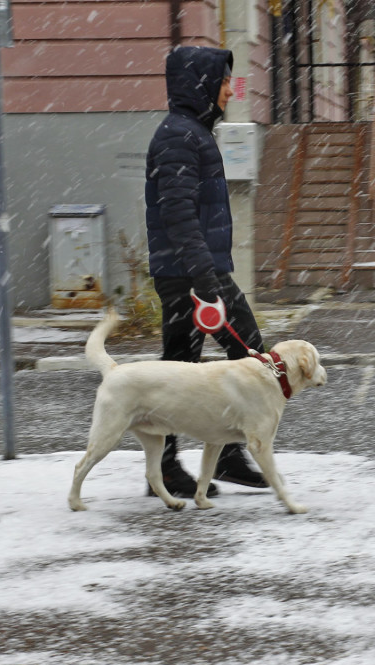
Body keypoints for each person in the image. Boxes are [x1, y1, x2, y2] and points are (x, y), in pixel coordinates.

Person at [143, 45, 267, 498]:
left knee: (181, 367)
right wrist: (205, 276)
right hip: (190, 273)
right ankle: (209, 459)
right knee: (249, 354)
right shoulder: (180, 135)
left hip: (188, 270)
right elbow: (177, 213)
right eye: (222, 80)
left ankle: (193, 463)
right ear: (201, 84)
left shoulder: (191, 131)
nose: (229, 88)